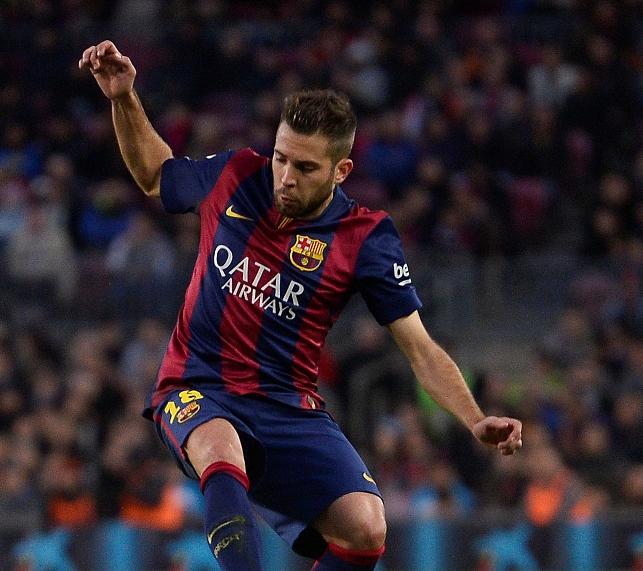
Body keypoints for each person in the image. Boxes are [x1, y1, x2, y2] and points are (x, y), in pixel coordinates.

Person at [79, 40, 524, 571]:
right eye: (281, 158)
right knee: (221, 451)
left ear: (341, 170)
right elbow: (156, 175)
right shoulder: (237, 174)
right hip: (197, 384)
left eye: (306, 167)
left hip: (287, 405)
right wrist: (124, 98)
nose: (286, 177)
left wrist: (475, 419)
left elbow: (421, 349)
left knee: (366, 527)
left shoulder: (365, 238)